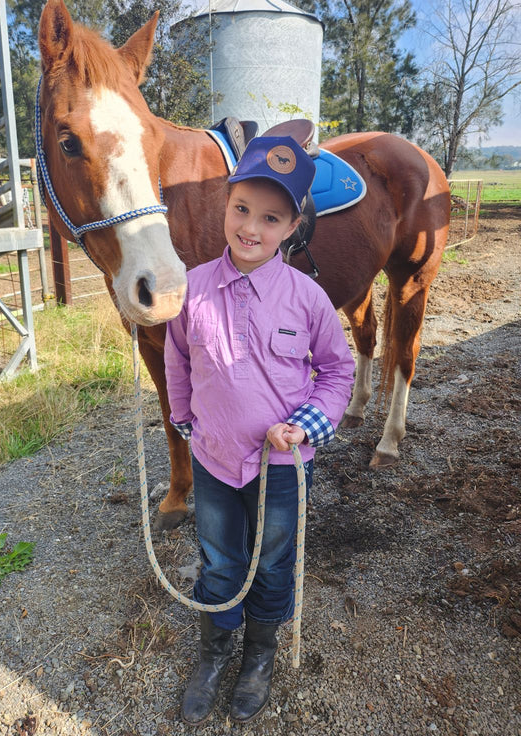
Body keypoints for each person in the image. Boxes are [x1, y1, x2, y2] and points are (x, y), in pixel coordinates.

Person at [164, 135, 355, 725]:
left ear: (292, 225)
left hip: (282, 468)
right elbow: (175, 357)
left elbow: (338, 369)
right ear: (227, 204)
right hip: (216, 460)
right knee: (220, 560)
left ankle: (258, 659)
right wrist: (187, 421)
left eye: (270, 218)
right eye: (241, 209)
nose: (251, 227)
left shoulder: (309, 299)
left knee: (272, 562)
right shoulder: (191, 289)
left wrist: (305, 426)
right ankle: (213, 654)